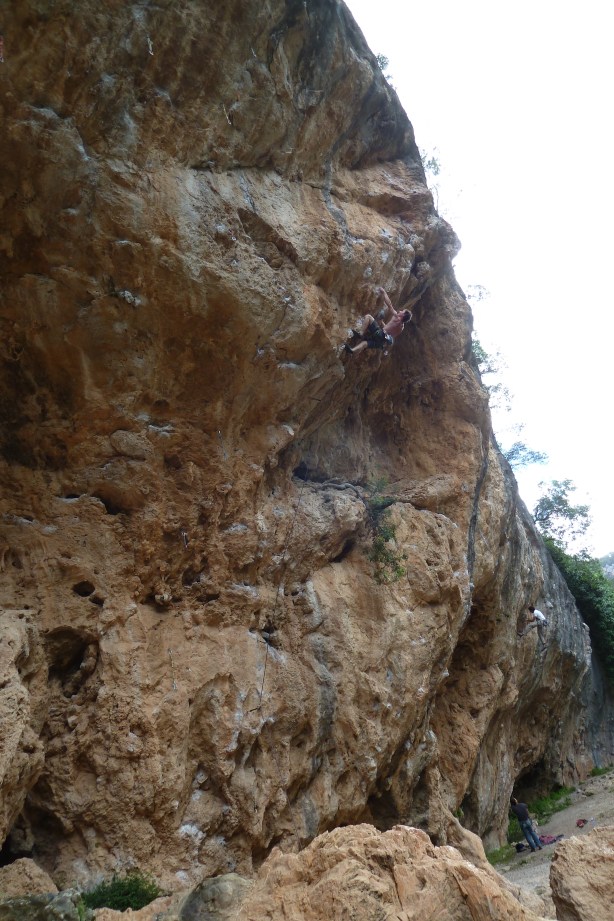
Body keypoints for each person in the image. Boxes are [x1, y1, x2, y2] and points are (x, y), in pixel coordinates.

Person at [343, 287, 412, 355]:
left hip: (379, 333)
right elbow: (390, 333)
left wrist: (384, 292)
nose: (400, 311)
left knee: (368, 317)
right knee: (364, 344)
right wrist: (382, 322)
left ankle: (360, 334)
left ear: (403, 315)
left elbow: (390, 305)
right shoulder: (401, 328)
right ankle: (352, 350)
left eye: (402, 311)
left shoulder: (397, 317)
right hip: (381, 342)